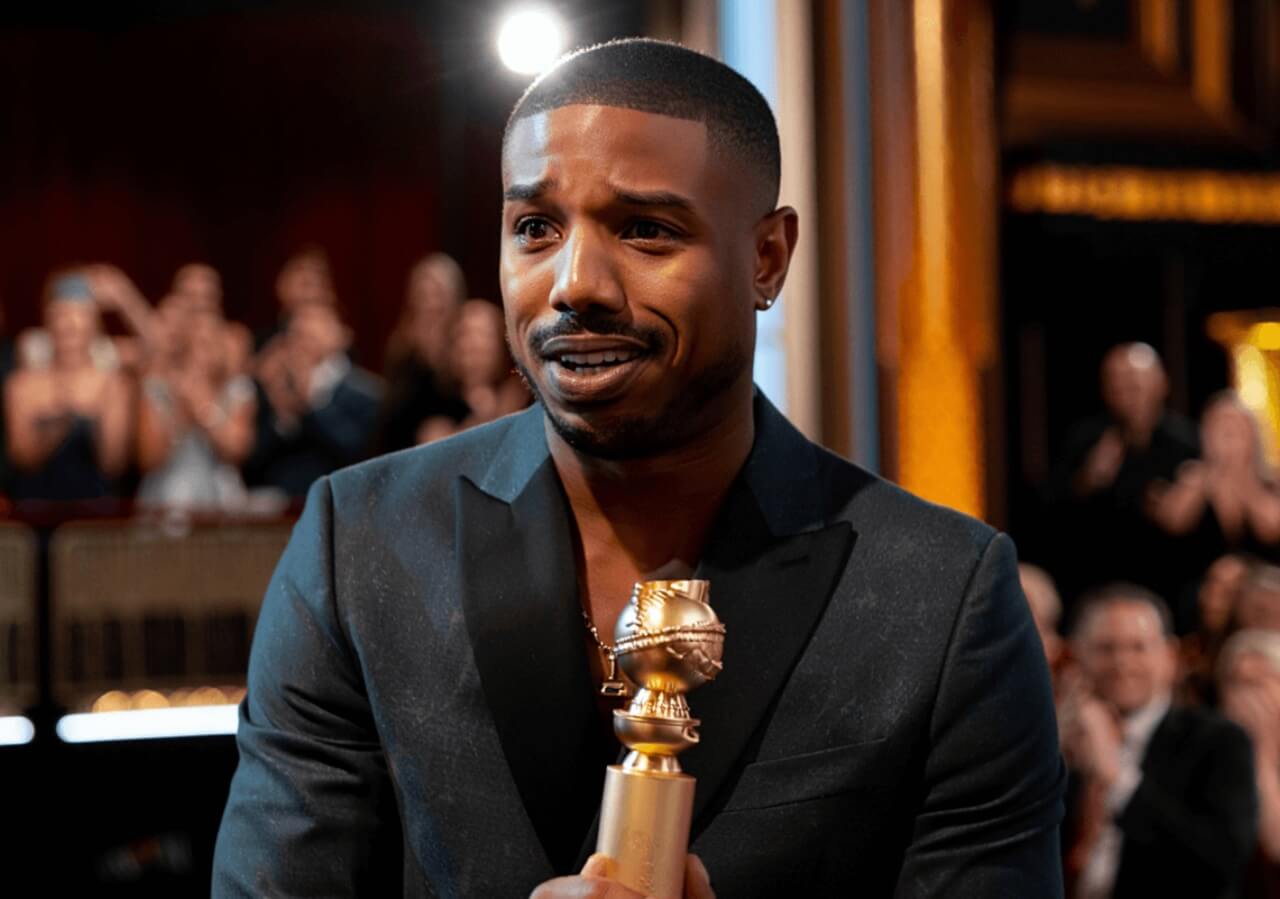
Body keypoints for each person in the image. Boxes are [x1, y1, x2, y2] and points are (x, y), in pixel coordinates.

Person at [213, 39, 1063, 897]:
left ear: (767, 257)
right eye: (535, 228)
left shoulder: (943, 596)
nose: (576, 283)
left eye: (646, 229)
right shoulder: (358, 544)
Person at [1060, 583, 1256, 899]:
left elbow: (1222, 861)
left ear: (1170, 655)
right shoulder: (1057, 744)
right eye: (1106, 648)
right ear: (1078, 654)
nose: (1122, 663)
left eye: (1138, 647)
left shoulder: (1220, 741)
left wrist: (1116, 779)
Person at [1045, 343, 1199, 604]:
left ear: (1161, 384)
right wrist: (1088, 479)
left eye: (1135, 385)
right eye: (1117, 386)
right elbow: (1052, 509)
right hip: (1098, 579)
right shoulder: (1086, 440)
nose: (1126, 395)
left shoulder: (1187, 443)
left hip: (1170, 579)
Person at [4, 271, 131, 501]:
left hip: (92, 512)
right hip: (36, 507)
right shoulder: (22, 384)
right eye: (61, 315)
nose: (69, 325)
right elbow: (21, 457)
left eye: (79, 315)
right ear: (48, 323)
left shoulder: (113, 384)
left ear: (94, 326)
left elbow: (113, 464)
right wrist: (59, 423)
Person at [243, 301, 381, 498]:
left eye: (314, 329)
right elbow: (252, 464)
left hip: (340, 502)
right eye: (298, 333)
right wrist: (283, 418)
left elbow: (358, 453)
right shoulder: (272, 390)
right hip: (281, 507)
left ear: (340, 336)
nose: (304, 339)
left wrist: (311, 404)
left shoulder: (366, 391)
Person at [1149, 392, 1280, 563]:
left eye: (1236, 428)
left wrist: (1244, 482)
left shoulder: (1270, 481)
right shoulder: (1193, 476)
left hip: (1262, 577)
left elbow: (1272, 529)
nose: (1228, 436)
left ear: (1252, 435)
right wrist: (1208, 477)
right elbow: (1172, 522)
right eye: (1220, 428)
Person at [375, 254, 470, 452]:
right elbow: (393, 403)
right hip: (403, 443)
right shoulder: (402, 344)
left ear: (452, 295)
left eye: (436, 293)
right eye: (422, 293)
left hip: (454, 441)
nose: (429, 302)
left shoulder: (464, 339)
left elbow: (470, 396)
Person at [417, 299, 530, 444]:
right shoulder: (436, 397)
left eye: (484, 334)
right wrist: (494, 415)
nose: (474, 344)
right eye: (465, 334)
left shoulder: (518, 394)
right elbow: (436, 449)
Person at [1219, 629, 1280, 898]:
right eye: (1236, 684)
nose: (1246, 699)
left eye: (1259, 683)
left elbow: (1276, 849)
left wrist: (1261, 755)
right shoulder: (1207, 753)